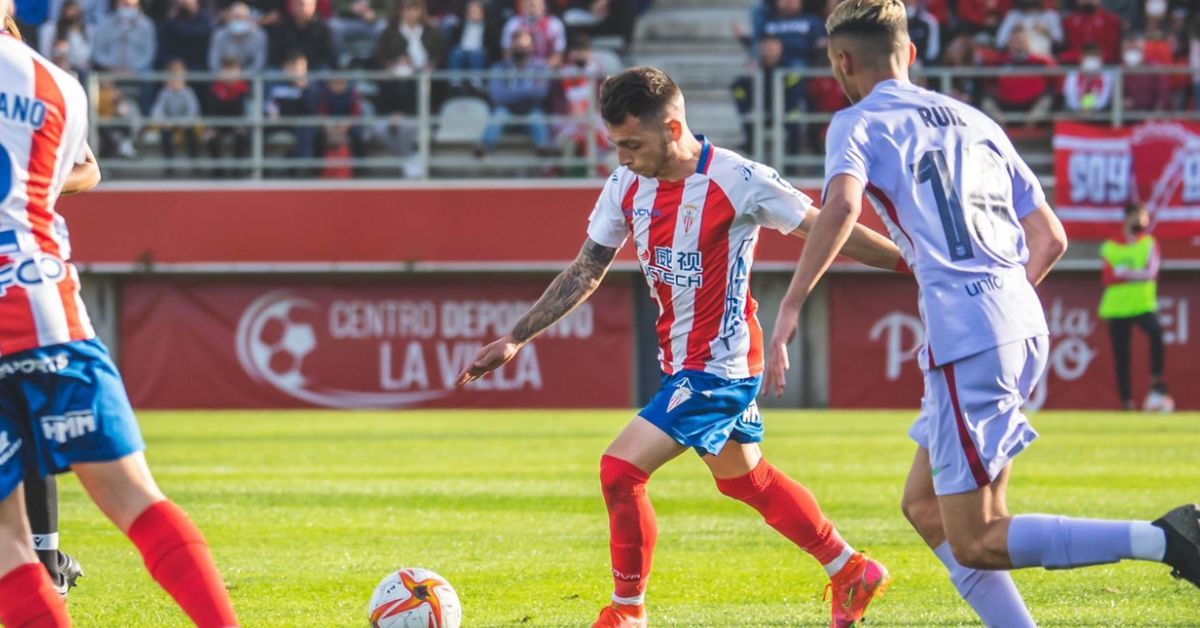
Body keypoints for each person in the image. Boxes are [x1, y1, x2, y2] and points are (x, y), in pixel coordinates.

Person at [765, 1, 1200, 626]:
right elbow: (1050, 236)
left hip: (969, 336)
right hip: (1021, 319)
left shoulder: (856, 123)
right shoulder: (977, 120)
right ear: (910, 54)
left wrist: (791, 306)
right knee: (925, 507)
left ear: (841, 62)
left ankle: (1165, 538)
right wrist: (1001, 304)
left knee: (978, 537)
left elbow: (840, 207)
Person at [457, 65, 906, 628]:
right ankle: (849, 570)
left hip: (720, 365)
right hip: (684, 364)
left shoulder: (739, 179)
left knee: (619, 472)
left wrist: (915, 264)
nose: (623, 158)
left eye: (632, 144)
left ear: (672, 129)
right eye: (616, 145)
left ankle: (627, 614)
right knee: (746, 480)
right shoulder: (625, 185)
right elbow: (586, 270)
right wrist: (516, 337)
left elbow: (828, 227)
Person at [0, 4, 240, 626]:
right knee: (134, 497)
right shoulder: (57, 84)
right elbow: (70, 173)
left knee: (5, 542)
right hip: (43, 305)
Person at [1100, 202, 1174, 412]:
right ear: (1128, 217)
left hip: (1143, 304)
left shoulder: (1149, 243)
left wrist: (1125, 272)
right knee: (1121, 356)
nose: (1144, 221)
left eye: (1146, 217)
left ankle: (1156, 381)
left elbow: (1150, 273)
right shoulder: (1111, 245)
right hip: (1117, 307)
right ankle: (1126, 401)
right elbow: (1108, 276)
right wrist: (1130, 273)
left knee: (1156, 333)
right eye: (1140, 216)